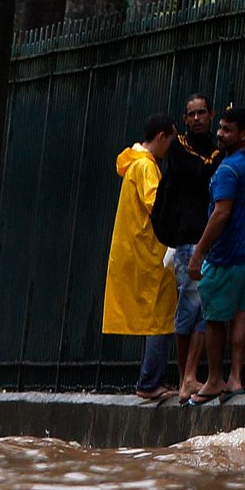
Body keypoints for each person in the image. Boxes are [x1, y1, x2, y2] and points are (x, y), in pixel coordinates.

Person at [187, 106, 245, 400]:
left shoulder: (228, 169)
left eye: (227, 130)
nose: (220, 134)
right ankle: (235, 378)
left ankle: (214, 380)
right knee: (240, 312)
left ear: (243, 133)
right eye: (220, 127)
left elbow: (221, 213)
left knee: (213, 318)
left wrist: (199, 253)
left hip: (227, 255)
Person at [104, 115, 180, 399]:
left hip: (137, 251)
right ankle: (150, 383)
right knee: (159, 320)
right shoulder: (146, 166)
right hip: (151, 253)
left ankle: (149, 380)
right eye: (171, 140)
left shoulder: (133, 163)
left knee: (152, 320)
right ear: (161, 136)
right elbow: (157, 204)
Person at [152, 94, 218, 388]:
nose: (196, 119)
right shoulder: (180, 148)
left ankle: (188, 376)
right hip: (189, 239)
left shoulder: (215, 149)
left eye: (201, 113)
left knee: (204, 309)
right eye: (191, 114)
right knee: (190, 308)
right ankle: (185, 377)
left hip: (210, 239)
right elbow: (201, 171)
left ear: (210, 114)